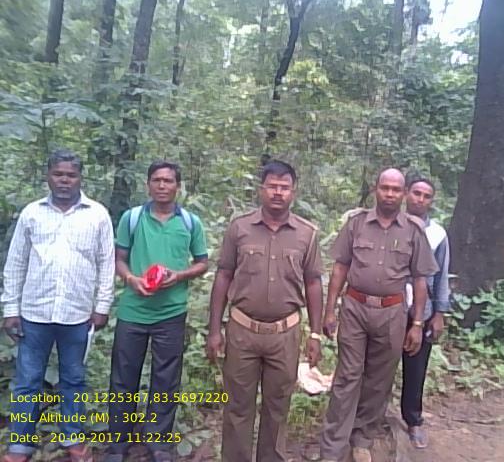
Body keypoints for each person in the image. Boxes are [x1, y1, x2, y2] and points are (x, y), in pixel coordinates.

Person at [1, 148, 115, 462]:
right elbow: (16, 262)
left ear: (80, 178)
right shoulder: (32, 213)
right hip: (34, 313)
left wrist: (102, 306)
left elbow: (106, 264)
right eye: (58, 174)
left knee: (74, 381)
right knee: (27, 381)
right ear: (48, 176)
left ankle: (73, 438)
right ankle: (21, 443)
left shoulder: (97, 215)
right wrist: (10, 309)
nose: (65, 180)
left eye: (71, 175)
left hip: (77, 315)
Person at [206, 160, 323, 462]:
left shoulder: (307, 234)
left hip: (285, 334)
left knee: (278, 406)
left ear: (293, 192)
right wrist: (215, 329)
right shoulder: (239, 228)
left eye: (284, 187)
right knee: (237, 406)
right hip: (242, 331)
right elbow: (223, 275)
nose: (278, 192)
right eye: (272, 186)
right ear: (261, 189)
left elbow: (313, 283)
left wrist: (315, 334)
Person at [319, 168, 439, 462]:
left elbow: (421, 280)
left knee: (379, 379)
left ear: (403, 193)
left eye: (396, 189)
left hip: (392, 312)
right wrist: (330, 309)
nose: (389, 194)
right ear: (376, 189)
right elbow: (340, 268)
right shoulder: (356, 223)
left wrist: (417, 323)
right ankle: (333, 447)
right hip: (355, 308)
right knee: (347, 376)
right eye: (385, 188)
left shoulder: (413, 230)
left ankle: (362, 438)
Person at [105, 161, 208, 462]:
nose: (162, 186)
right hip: (133, 311)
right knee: (123, 378)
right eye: (157, 180)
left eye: (168, 181)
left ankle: (158, 442)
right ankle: (118, 443)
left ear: (178, 186)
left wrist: (179, 276)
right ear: (148, 184)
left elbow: (202, 262)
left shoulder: (189, 222)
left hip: (171, 312)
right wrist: (131, 279)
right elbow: (119, 258)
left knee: (166, 378)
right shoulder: (132, 218)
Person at [401, 176, 451, 449]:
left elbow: (441, 275)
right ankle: (371, 416)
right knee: (379, 366)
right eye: (416, 193)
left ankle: (413, 420)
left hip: (423, 309)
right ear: (406, 194)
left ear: (431, 201)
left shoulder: (438, 234)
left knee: (416, 367)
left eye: (426, 195)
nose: (420, 199)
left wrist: (440, 312)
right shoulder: (392, 225)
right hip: (391, 307)